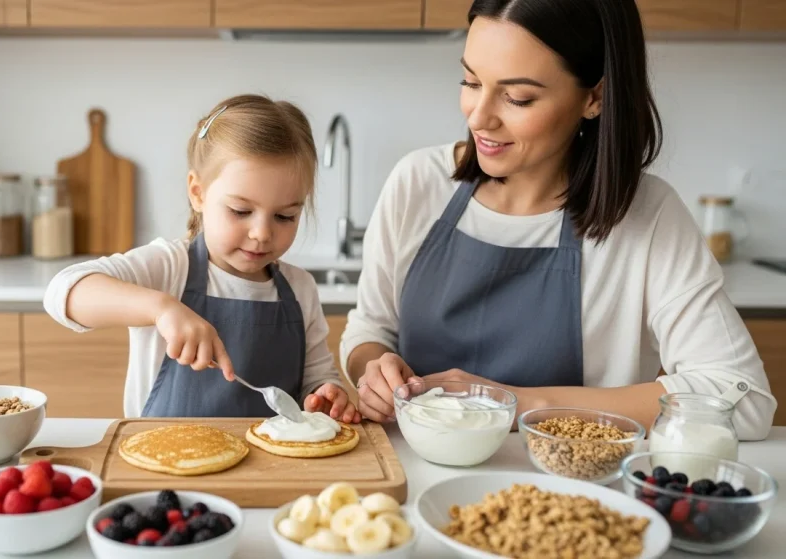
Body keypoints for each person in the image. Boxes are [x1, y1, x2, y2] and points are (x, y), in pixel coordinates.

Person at [341, 0, 776, 440]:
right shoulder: (417, 181)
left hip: (571, 481)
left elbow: (743, 400)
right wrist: (375, 372)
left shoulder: (647, 216)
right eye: (470, 82)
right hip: (412, 472)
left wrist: (514, 404)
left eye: (518, 97)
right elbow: (370, 328)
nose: (478, 116)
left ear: (594, 97)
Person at [44, 94, 360, 423]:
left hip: (272, 458)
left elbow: (317, 377)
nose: (262, 233)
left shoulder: (300, 289)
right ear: (198, 193)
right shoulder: (169, 268)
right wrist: (161, 309)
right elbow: (63, 291)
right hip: (162, 454)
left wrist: (326, 394)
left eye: (285, 216)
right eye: (241, 211)